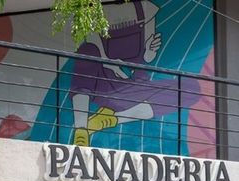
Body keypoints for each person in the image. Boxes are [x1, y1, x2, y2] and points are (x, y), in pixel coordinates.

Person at [69, 0, 203, 147]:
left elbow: (147, 58)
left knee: (191, 89)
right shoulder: (92, 13)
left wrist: (150, 50)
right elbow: (95, 48)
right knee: (87, 50)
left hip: (135, 86)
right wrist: (114, 66)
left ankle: (110, 119)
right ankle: (81, 129)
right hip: (104, 86)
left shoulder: (146, 9)